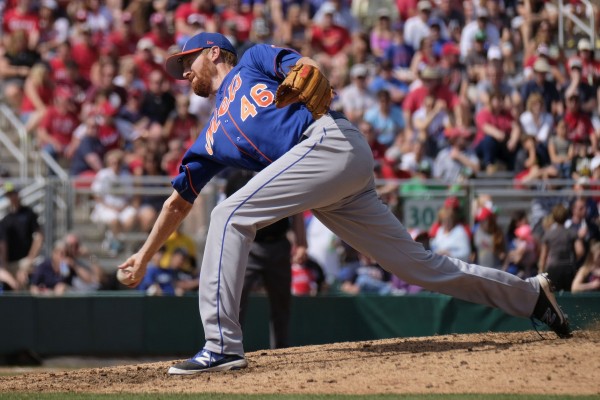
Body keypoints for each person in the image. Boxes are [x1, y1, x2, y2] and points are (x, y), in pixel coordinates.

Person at [119, 32, 572, 376]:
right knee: (418, 267)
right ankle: (531, 297)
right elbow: (177, 203)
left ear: (215, 52)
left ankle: (220, 346)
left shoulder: (251, 61)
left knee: (228, 214)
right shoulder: (209, 137)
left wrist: (310, 69)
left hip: (329, 141)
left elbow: (302, 65)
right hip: (328, 186)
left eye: (187, 60)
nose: (183, 72)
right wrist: (144, 254)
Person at [224, 169, 308, 349]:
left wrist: (301, 242)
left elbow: (297, 209)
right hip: (248, 245)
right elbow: (226, 214)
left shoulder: (280, 173)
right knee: (236, 302)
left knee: (281, 303)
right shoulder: (237, 178)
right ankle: (230, 349)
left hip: (278, 244)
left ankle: (281, 350)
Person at [0, 182, 44, 290]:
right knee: (10, 288)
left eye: (13, 193)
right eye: (9, 194)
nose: (11, 197)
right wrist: (4, 263)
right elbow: (3, 243)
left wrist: (30, 258)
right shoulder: (6, 219)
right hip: (10, 262)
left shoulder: (28, 214)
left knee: (24, 284)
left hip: (24, 260)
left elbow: (39, 236)